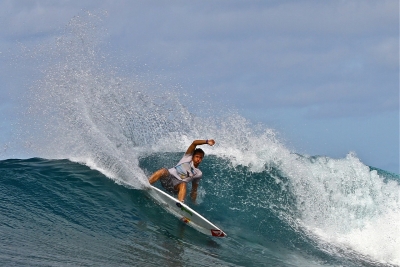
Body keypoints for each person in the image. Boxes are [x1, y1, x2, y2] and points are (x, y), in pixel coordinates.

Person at [148, 139, 215, 203]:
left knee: (183, 184)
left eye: (200, 158)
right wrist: (207, 141)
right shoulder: (187, 157)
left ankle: (180, 205)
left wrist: (194, 201)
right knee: (163, 170)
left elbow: (194, 190)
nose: (198, 159)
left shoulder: (198, 173)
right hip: (168, 179)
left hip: (176, 187)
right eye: (197, 156)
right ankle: (147, 184)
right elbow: (194, 143)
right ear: (193, 156)